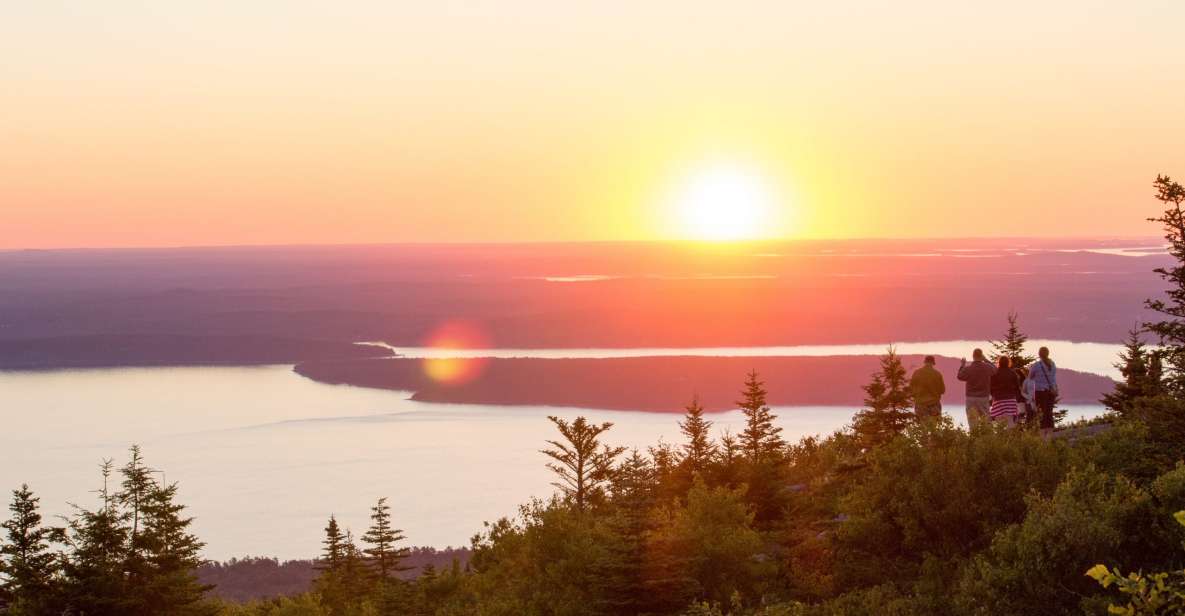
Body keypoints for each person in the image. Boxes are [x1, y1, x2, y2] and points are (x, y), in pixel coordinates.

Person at [957, 348, 996, 427]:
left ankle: (974, 437)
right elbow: (995, 369)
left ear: (973, 356)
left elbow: (959, 376)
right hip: (984, 397)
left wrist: (962, 365)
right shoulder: (987, 367)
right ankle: (986, 438)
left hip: (971, 398)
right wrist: (986, 360)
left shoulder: (968, 369)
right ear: (981, 356)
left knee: (972, 422)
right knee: (986, 422)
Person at [1029, 346, 1058, 437]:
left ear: (1039, 354)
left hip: (1040, 392)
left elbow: (1030, 377)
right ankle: (1050, 434)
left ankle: (1042, 434)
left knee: (1042, 412)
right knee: (1049, 412)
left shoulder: (1037, 365)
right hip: (1051, 392)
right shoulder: (1052, 364)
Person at [909, 355, 946, 419]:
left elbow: (911, 388)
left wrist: (916, 396)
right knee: (933, 427)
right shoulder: (937, 374)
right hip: (934, 405)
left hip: (920, 405)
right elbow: (942, 390)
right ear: (933, 363)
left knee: (922, 426)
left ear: (925, 362)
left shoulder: (917, 373)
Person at [989, 356, 1021, 427]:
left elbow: (990, 388)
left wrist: (994, 395)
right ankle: (1010, 436)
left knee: (1000, 424)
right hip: (1011, 400)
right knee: (1011, 423)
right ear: (1008, 363)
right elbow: (1017, 388)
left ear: (999, 363)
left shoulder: (995, 373)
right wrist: (1016, 398)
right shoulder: (1013, 373)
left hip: (998, 400)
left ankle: (1002, 436)